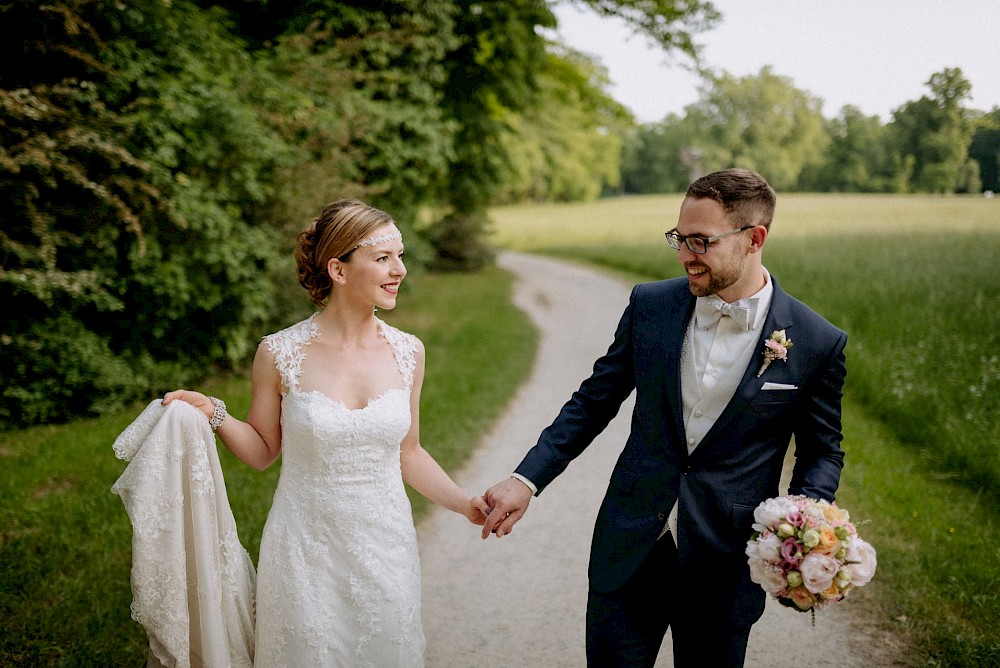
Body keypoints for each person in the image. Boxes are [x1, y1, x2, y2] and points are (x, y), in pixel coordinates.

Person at [480, 168, 847, 668]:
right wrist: (526, 479)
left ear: (754, 238)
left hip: (725, 562)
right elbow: (594, 401)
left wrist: (802, 525)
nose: (683, 256)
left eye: (700, 242)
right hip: (628, 547)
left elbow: (823, 450)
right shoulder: (650, 306)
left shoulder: (817, 341)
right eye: (679, 238)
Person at [163, 198, 490, 666]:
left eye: (400, 256)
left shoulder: (408, 352)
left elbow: (409, 453)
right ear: (338, 269)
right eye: (383, 258)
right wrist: (213, 412)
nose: (399, 269)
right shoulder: (278, 353)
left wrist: (465, 504)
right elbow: (262, 452)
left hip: (386, 545)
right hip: (304, 549)